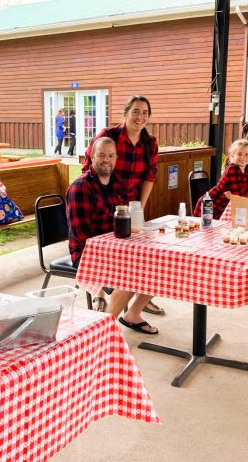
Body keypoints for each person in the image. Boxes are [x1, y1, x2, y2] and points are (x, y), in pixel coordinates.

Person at [82, 94, 164, 316]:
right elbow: (89, 167)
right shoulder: (109, 136)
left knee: (139, 253)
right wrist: (99, 200)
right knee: (104, 248)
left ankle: (137, 297)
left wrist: (139, 209)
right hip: (105, 199)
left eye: (145, 112)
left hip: (131, 204)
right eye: (135, 111)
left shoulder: (150, 143)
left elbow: (150, 177)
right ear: (126, 113)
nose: (140, 117)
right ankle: (99, 294)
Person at [67, 137, 158, 335]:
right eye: (101, 155)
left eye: (111, 155)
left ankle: (132, 314)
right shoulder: (79, 188)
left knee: (158, 263)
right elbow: (82, 236)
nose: (106, 159)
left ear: (116, 158)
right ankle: (102, 330)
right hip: (88, 253)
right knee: (132, 274)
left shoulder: (117, 183)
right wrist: (118, 252)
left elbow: (124, 221)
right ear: (91, 156)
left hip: (115, 248)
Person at [194, 139, 248, 220]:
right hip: (212, 204)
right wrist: (235, 196)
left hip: (223, 206)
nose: (243, 157)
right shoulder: (233, 169)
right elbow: (238, 194)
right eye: (239, 154)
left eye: (246, 154)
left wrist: (234, 196)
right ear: (232, 155)